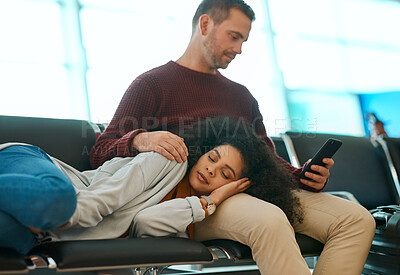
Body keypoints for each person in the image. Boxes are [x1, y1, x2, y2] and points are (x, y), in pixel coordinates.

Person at [89, 0, 376, 274]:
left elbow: (268, 159)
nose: (238, 49)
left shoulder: (241, 97)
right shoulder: (151, 85)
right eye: (233, 36)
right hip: (196, 198)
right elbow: (100, 150)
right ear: (205, 24)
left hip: (252, 190)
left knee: (356, 220)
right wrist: (142, 140)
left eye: (243, 41)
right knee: (269, 220)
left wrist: (304, 176)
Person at [0, 117, 302, 256]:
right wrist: (67, 215)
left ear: (235, 186)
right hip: (39, 173)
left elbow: (146, 223)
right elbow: (105, 198)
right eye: (212, 157)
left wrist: (209, 202)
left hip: (38, 228)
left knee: (9, 237)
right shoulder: (170, 159)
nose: (211, 169)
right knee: (59, 200)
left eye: (224, 173)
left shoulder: (190, 214)